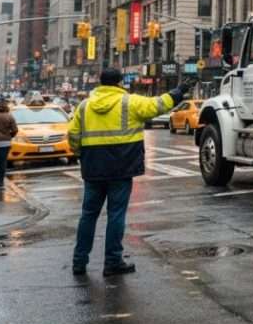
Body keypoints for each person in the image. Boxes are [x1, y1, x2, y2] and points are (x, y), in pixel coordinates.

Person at [69, 67, 189, 277]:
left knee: (88, 215)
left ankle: (79, 262)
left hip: (93, 168)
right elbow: (158, 105)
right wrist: (178, 91)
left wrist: (82, 154)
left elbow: (72, 135)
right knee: (116, 214)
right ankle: (113, 261)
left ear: (100, 82)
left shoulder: (84, 106)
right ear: (119, 83)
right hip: (121, 167)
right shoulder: (129, 102)